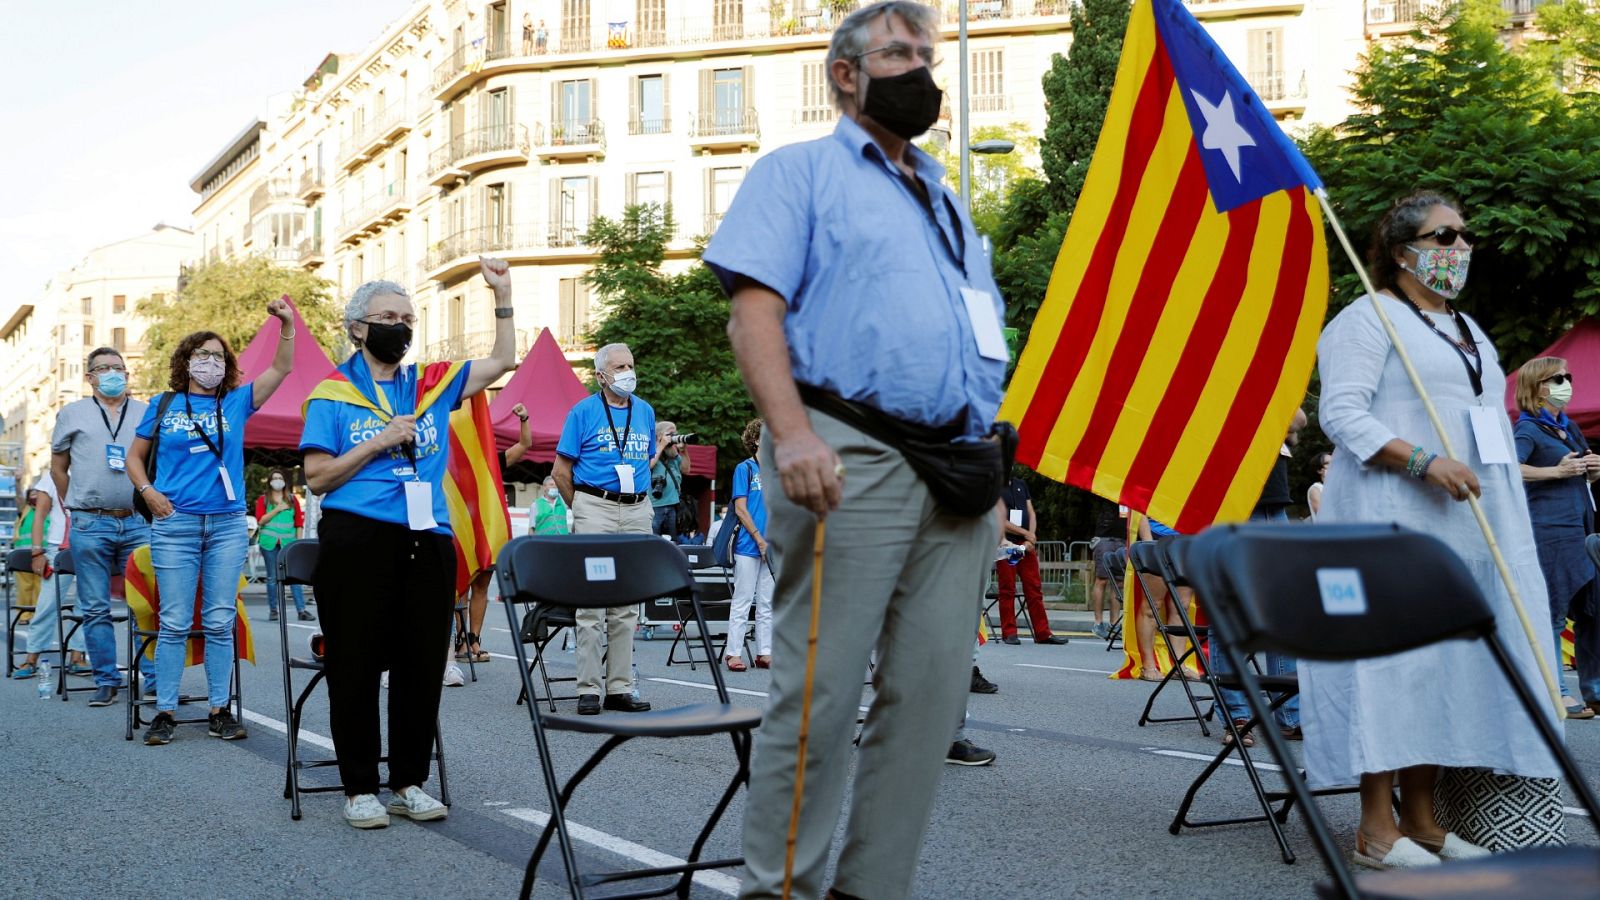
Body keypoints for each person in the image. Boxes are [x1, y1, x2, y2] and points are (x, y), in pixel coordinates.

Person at [705, 4, 1008, 896]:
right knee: (822, 696)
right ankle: (779, 889)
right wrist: (792, 431)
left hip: (956, 468)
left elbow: (974, 339)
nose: (921, 67)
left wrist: (990, 463)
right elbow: (752, 309)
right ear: (844, 73)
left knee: (926, 704)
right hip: (849, 455)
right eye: (897, 53)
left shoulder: (948, 201)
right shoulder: (798, 174)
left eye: (926, 52)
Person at [1308, 191, 1558, 868]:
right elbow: (1342, 414)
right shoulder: (1367, 319)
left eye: (1464, 236)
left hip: (1470, 530)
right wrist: (1421, 460)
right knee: (1391, 665)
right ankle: (1373, 828)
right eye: (1442, 237)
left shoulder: (1469, 331)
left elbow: (1489, 430)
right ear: (1399, 252)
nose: (1459, 248)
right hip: (1390, 521)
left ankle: (1423, 821)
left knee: (1444, 666)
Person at [300, 259, 517, 829]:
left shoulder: (432, 384)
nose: (400, 325)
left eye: (406, 317)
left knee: (422, 665)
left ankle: (408, 782)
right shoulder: (333, 393)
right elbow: (317, 478)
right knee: (356, 663)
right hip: (357, 537)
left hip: (427, 537)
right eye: (387, 317)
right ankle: (359, 787)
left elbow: (501, 362)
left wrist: (503, 295)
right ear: (357, 328)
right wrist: (377, 444)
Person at [128, 298, 297, 745]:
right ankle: (164, 710)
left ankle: (220, 709)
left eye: (218, 356)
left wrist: (286, 326)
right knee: (175, 621)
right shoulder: (164, 404)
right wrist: (149, 492)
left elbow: (281, 370)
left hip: (225, 526)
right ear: (186, 362)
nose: (211, 363)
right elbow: (134, 458)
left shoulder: (237, 403)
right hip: (176, 524)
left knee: (221, 620)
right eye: (202, 355)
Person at [552, 342, 655, 716]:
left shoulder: (644, 411)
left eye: (630, 364)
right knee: (593, 604)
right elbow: (560, 472)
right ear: (601, 375)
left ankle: (620, 687)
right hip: (595, 506)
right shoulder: (582, 412)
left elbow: (642, 461)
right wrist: (581, 507)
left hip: (635, 510)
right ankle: (589, 689)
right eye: (620, 367)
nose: (628, 372)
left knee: (627, 603)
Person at [50, 346, 153, 707]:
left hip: (138, 522)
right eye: (103, 368)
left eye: (118, 367)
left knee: (147, 602)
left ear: (127, 374)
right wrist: (73, 505)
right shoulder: (72, 413)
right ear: (89, 376)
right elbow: (58, 468)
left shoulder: (145, 411)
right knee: (94, 607)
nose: (112, 373)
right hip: (90, 521)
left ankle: (154, 679)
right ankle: (106, 680)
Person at [1206, 409, 1306, 745]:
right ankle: (1237, 716)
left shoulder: (1266, 378)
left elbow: (1298, 420)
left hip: (1272, 506)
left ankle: (1290, 715)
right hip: (1228, 503)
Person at [1513, 356, 1600, 720]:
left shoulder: (1569, 427)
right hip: (1550, 529)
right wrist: (1555, 470)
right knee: (1554, 610)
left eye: (1568, 375)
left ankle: (1593, 689)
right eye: (1558, 377)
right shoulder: (1527, 429)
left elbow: (1580, 470)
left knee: (1593, 610)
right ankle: (1557, 692)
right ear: (1538, 387)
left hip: (1581, 526)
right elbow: (1510, 470)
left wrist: (1592, 470)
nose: (1567, 382)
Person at [454, 402, 532, 666]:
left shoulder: (491, 460)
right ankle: (461, 641)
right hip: (462, 530)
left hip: (487, 530)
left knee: (481, 587)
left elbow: (524, 445)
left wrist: (524, 419)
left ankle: (474, 639)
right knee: (460, 588)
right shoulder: (453, 459)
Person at [13, 474, 90, 679]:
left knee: (86, 605)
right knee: (47, 605)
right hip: (59, 548)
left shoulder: (92, 470)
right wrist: (37, 552)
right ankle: (31, 659)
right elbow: (39, 514)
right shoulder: (52, 477)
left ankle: (77, 657)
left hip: (90, 545)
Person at [993, 476, 1067, 646]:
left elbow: (1031, 512)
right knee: (1007, 588)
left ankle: (1043, 633)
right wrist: (1025, 533)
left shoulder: (1020, 483)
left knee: (1034, 588)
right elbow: (998, 518)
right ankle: (1009, 632)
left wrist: (1030, 539)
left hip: (1026, 544)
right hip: (1007, 543)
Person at [725, 419, 773, 671]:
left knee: (767, 601)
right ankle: (733, 652)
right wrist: (759, 539)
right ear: (755, 440)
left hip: (773, 545)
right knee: (743, 600)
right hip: (748, 544)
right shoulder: (745, 469)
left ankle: (764, 651)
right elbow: (741, 509)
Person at [1134, 517, 1193, 685]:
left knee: (1182, 606)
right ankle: (1148, 666)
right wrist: (1147, 540)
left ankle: (1179, 665)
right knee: (1152, 606)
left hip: (1186, 539)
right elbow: (1139, 505)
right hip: (1157, 537)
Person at [256, 468, 311, 622]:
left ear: (284, 481)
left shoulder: (293, 500)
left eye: (280, 477)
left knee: (294, 577)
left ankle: (302, 610)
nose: (278, 480)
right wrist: (278, 509)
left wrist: (299, 543)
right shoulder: (263, 500)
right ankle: (273, 610)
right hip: (269, 544)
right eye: (275, 478)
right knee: (272, 578)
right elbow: (261, 520)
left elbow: (299, 523)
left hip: (289, 544)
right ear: (270, 481)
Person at [1088, 498, 1126, 640]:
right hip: (1105, 537)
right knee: (1102, 580)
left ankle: (1114, 624)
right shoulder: (1108, 488)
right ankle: (1098, 623)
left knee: (1118, 583)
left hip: (1123, 538)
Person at [649, 420, 693, 538]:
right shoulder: (652, 453)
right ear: (659, 436)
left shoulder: (673, 456)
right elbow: (649, 465)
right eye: (670, 434)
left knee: (671, 543)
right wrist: (661, 444)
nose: (674, 436)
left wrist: (684, 451)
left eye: (675, 433)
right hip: (655, 507)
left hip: (673, 506)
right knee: (653, 542)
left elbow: (686, 469)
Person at [1307, 452, 1331, 520]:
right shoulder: (1315, 489)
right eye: (1328, 463)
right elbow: (1324, 516)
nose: (1333, 465)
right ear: (1319, 470)